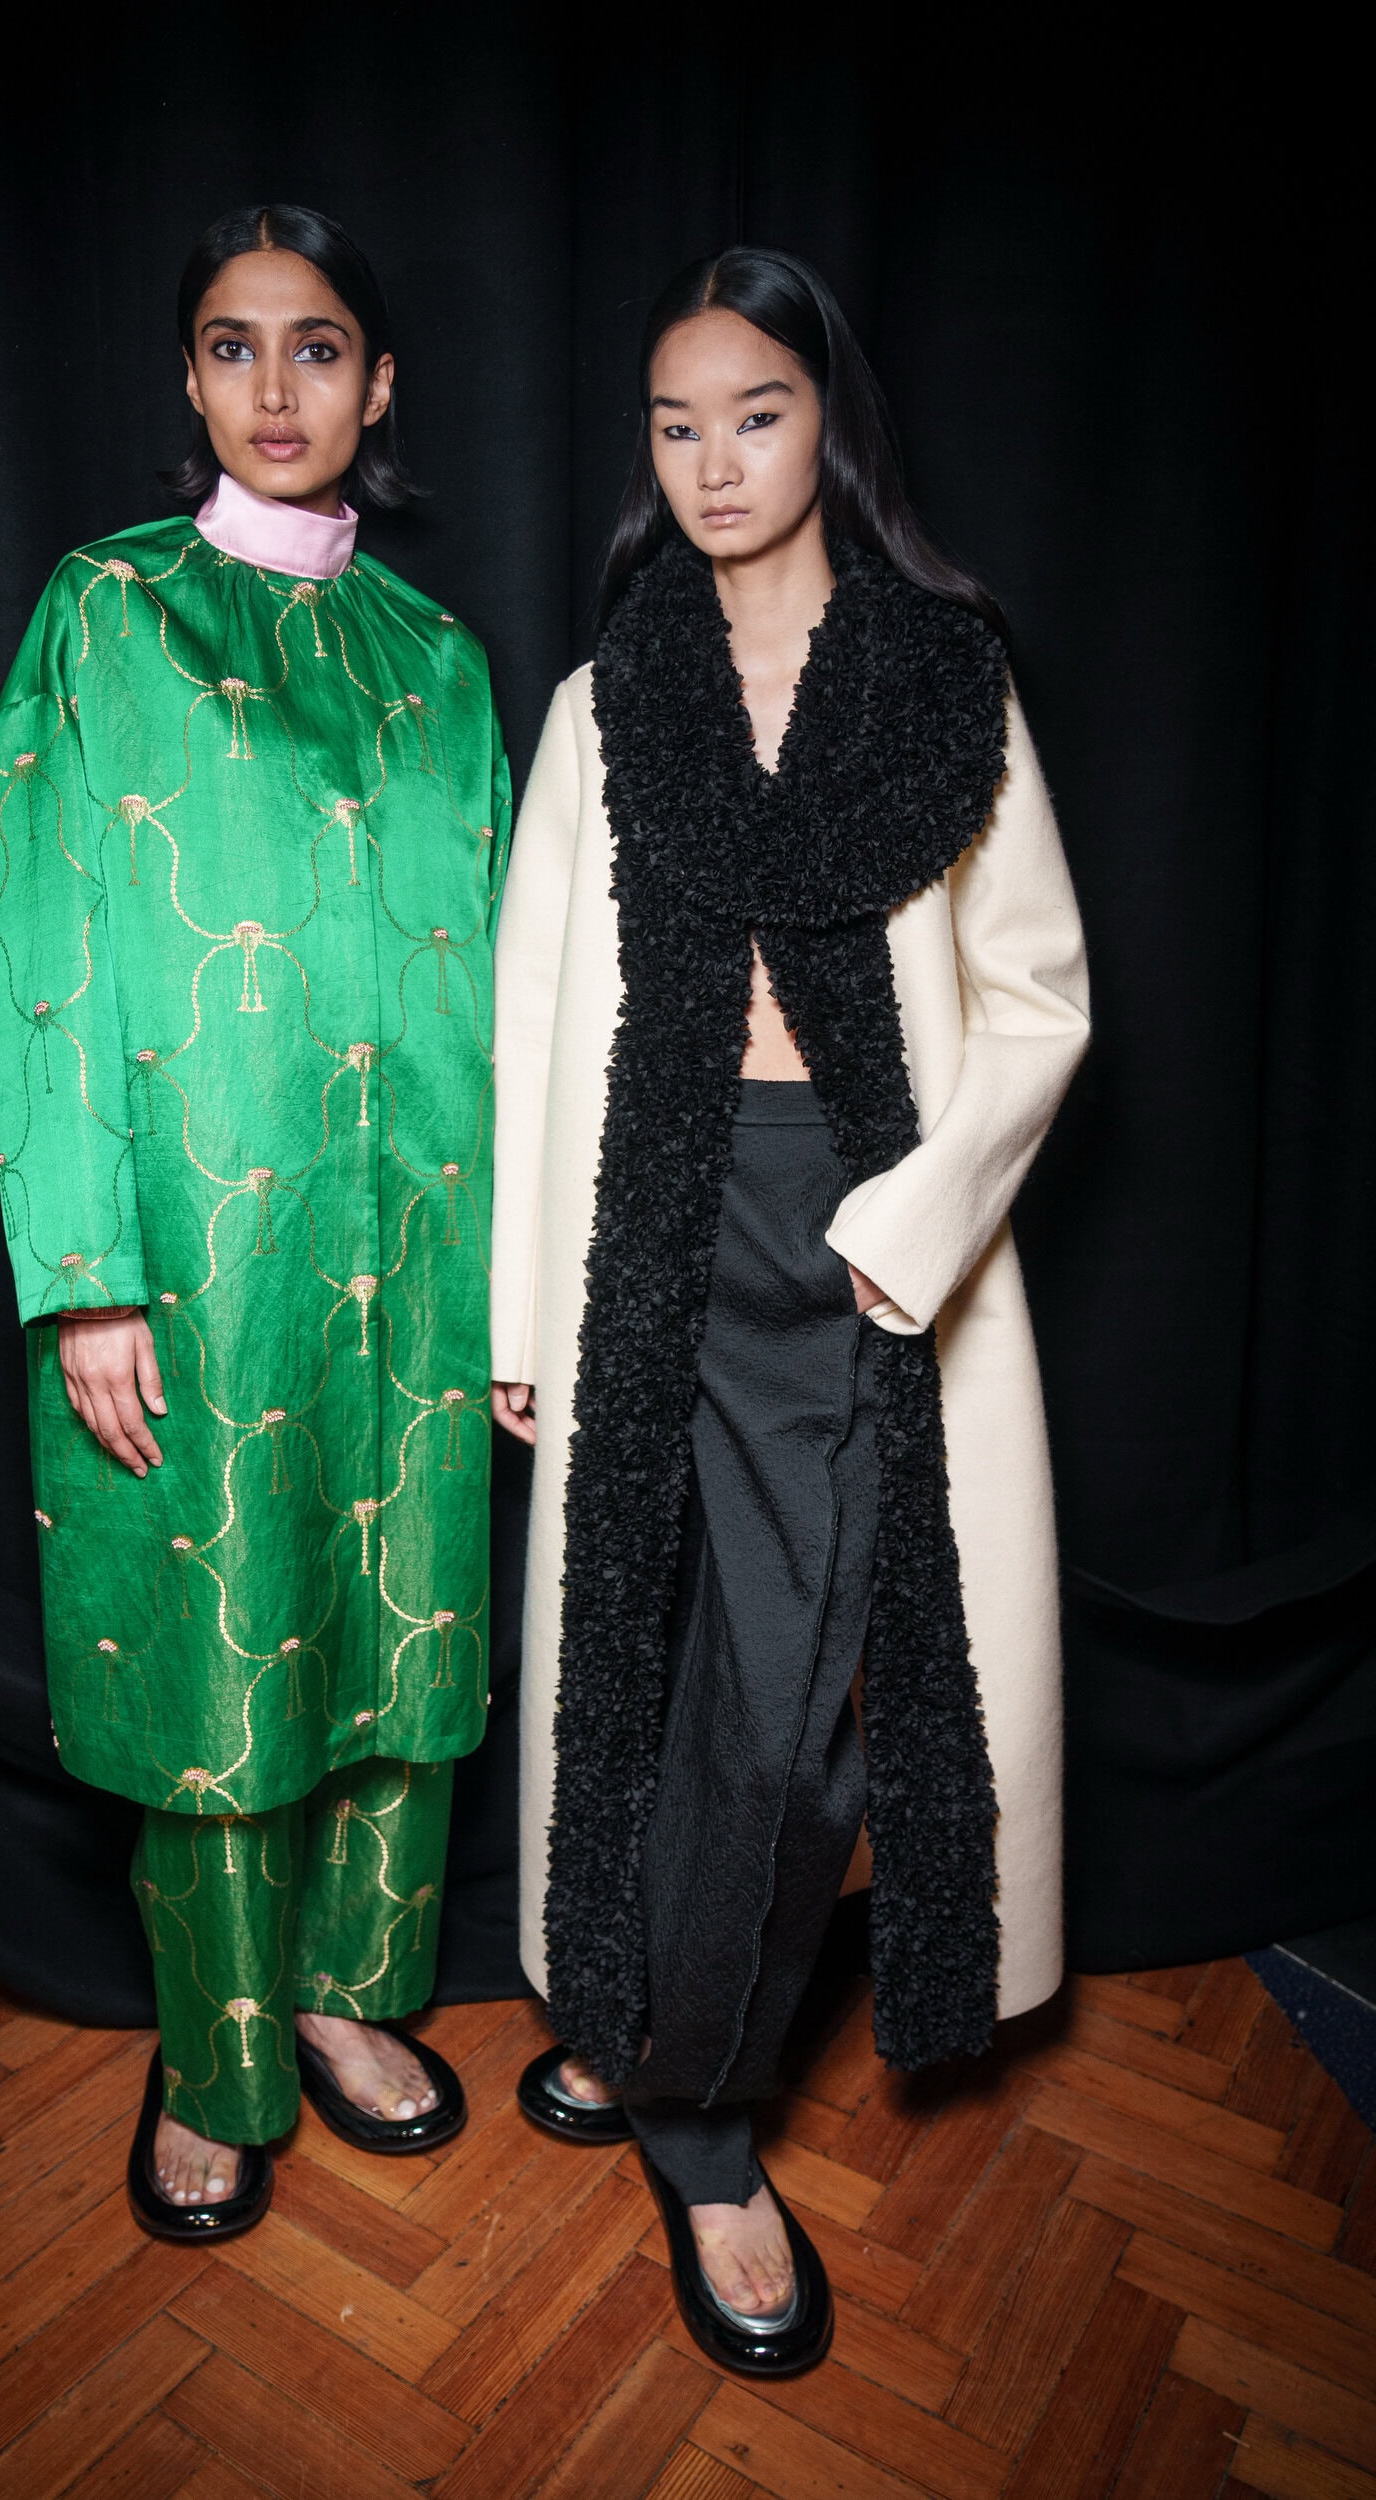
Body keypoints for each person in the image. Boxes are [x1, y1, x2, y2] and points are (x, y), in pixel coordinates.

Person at [490, 247, 1089, 2373]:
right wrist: (519, 1308)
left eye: (752, 412)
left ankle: (689, 2108)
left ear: (825, 417)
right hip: (641, 1227)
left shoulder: (942, 679)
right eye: (674, 424)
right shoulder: (607, 697)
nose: (713, 460)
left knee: (794, 1694)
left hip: (861, 1235)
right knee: (660, 1666)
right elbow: (533, 1010)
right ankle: (664, 2029)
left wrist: (913, 1219)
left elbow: (1037, 996)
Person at [0, 204, 510, 2239]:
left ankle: (356, 1992)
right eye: (230, 344)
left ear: (379, 382)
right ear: (187, 378)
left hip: (423, 1235)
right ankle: (216, 2052)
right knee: (215, 1643)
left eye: (317, 345)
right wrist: (82, 1273)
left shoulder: (439, 660)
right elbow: (30, 939)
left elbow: (517, 963)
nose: (275, 387)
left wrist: (523, 1272)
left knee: (402, 1614)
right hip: (193, 1249)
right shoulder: (105, 609)